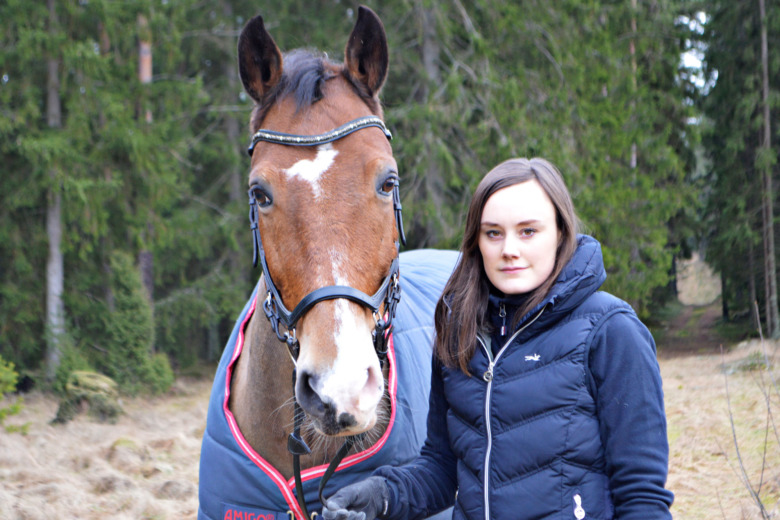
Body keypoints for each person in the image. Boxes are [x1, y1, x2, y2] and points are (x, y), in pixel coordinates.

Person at [322, 157, 674, 520]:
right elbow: (441, 469)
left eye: (528, 231)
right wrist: (380, 495)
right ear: (477, 241)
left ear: (560, 233)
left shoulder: (610, 331)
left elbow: (642, 497)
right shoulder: (459, 330)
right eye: (493, 233)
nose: (509, 249)